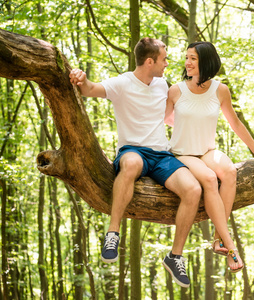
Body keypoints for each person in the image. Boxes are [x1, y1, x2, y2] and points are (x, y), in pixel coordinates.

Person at [69, 38, 201, 288]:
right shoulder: (122, 83)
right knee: (129, 165)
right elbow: (89, 89)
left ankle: (175, 256)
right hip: (133, 151)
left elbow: (171, 116)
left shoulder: (163, 84)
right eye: (164, 58)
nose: (167, 63)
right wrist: (80, 77)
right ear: (149, 61)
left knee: (193, 189)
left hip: (162, 155)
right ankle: (112, 234)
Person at [165, 41, 254, 273]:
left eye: (193, 59)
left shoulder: (220, 90)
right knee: (207, 178)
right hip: (182, 152)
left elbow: (235, 123)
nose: (187, 62)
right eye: (186, 58)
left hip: (207, 150)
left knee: (229, 172)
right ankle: (231, 246)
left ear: (206, 61)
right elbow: (161, 119)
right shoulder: (176, 90)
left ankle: (218, 239)